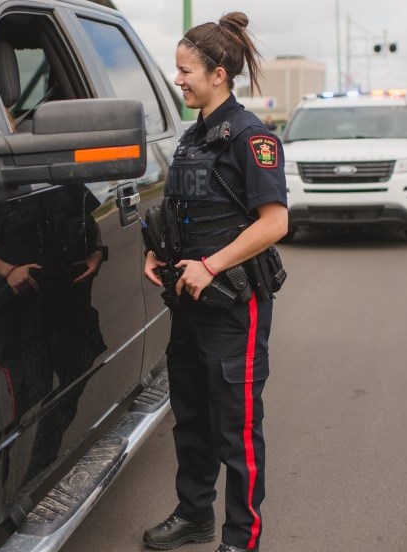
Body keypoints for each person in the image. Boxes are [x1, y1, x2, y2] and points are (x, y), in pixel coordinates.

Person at [141, 12, 287, 552]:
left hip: (233, 309)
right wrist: (158, 255)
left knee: (237, 430)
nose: (177, 79)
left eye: (185, 71)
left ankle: (241, 538)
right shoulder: (192, 138)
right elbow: (186, 210)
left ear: (218, 73)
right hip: (187, 303)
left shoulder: (252, 138)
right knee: (193, 419)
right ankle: (194, 515)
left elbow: (275, 223)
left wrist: (211, 265)